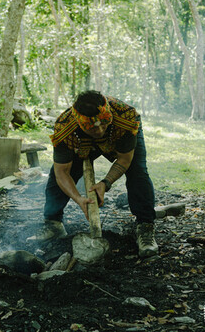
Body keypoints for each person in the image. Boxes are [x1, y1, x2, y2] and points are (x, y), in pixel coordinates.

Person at [31, 90, 158, 258]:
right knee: (57, 176)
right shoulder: (65, 127)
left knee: (138, 172)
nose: (99, 131)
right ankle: (53, 223)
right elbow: (62, 172)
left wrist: (105, 183)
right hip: (80, 141)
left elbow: (125, 159)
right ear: (80, 122)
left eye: (103, 124)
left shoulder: (126, 117)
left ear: (107, 116)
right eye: (92, 127)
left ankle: (145, 226)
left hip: (118, 134)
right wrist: (78, 198)